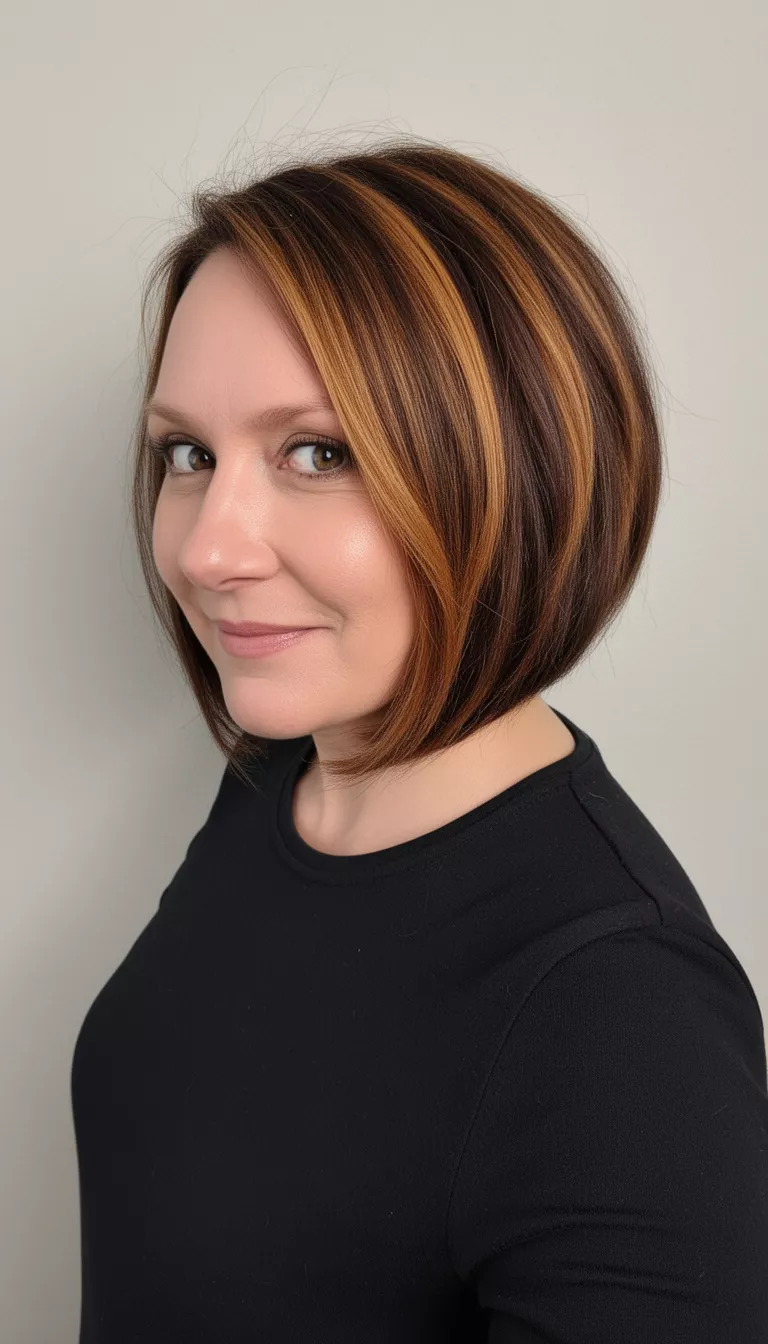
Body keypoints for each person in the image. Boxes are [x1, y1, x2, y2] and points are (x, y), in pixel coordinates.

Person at [70, 139, 768, 1342]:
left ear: (521, 474)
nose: (203, 550)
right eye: (188, 454)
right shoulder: (282, 771)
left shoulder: (619, 1015)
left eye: (318, 452)